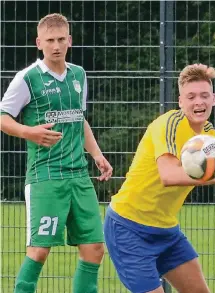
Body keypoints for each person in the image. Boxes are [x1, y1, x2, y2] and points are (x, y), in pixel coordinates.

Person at [104, 63, 215, 293]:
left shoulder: (212, 138)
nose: (198, 102)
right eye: (191, 96)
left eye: (204, 95)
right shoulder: (168, 123)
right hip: (128, 229)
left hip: (167, 232)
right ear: (181, 102)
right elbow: (168, 175)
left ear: (213, 99)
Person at [0, 13, 113, 293]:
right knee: (39, 251)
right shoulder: (27, 78)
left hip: (78, 176)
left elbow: (80, 119)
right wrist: (30, 132)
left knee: (95, 249)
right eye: (50, 40)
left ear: (69, 41)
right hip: (45, 177)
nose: (56, 46)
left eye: (61, 39)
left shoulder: (78, 75)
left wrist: (97, 155)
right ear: (39, 43)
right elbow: (3, 117)